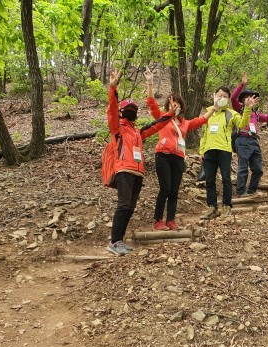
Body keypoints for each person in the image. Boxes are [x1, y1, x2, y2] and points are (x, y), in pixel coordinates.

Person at [105, 69, 171, 256]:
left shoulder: (137, 132)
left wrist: (171, 113)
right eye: (128, 110)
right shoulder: (117, 128)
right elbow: (111, 109)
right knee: (124, 205)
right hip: (124, 170)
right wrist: (113, 88)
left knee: (130, 207)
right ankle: (114, 241)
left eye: (133, 110)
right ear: (122, 112)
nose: (130, 112)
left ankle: (119, 241)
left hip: (138, 172)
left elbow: (157, 125)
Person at [144, 69, 216, 231]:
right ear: (168, 104)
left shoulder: (185, 123)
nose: (174, 105)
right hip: (163, 155)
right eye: (171, 102)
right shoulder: (162, 117)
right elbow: (151, 103)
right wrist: (150, 82)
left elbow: (201, 120)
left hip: (178, 157)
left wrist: (214, 108)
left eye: (177, 102)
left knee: (174, 190)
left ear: (181, 105)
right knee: (165, 188)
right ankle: (158, 221)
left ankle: (170, 220)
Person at [199, 86, 258, 219]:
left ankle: (227, 205)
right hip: (209, 150)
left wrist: (248, 108)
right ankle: (212, 207)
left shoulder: (232, 113)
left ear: (228, 99)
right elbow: (204, 133)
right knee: (209, 180)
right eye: (219, 95)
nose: (222, 98)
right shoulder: (208, 112)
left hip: (224, 150)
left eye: (225, 96)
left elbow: (243, 124)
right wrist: (201, 150)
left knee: (226, 179)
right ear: (214, 96)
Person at [230, 72, 268, 196]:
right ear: (242, 100)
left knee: (258, 169)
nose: (250, 99)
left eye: (252, 97)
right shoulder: (240, 109)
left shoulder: (256, 114)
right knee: (243, 168)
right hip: (242, 139)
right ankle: (241, 191)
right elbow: (232, 98)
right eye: (247, 97)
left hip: (254, 141)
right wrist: (242, 84)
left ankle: (251, 190)